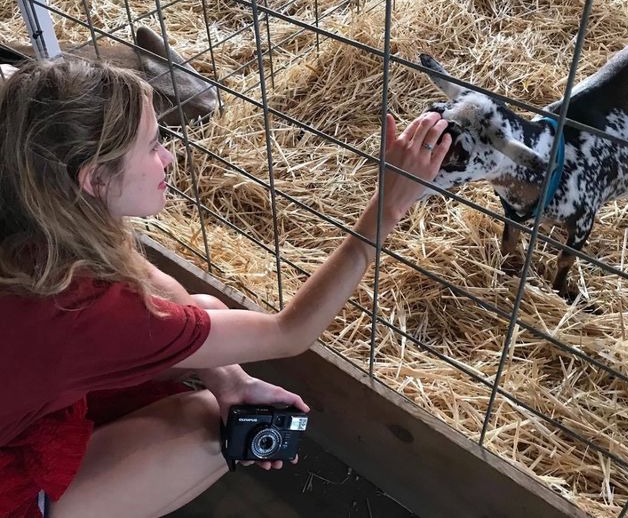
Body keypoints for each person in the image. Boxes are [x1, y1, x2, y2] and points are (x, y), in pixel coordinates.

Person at [0, 55, 451, 518]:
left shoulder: (33, 206)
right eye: (153, 145)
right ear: (93, 178)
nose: (169, 158)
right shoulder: (78, 304)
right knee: (209, 424)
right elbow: (288, 333)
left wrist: (231, 378)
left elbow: (142, 274)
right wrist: (388, 207)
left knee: (204, 311)